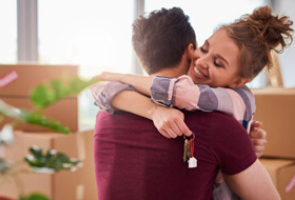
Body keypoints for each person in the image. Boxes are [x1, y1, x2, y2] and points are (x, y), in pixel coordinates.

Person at [93, 6, 291, 200]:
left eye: (218, 63)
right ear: (191, 49)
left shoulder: (107, 112)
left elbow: (102, 89)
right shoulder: (220, 127)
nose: (202, 60)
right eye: (203, 48)